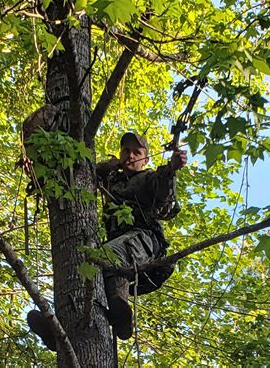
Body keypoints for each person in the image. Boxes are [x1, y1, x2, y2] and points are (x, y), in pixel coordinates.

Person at [27, 132, 187, 348]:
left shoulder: (149, 177)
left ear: (146, 159)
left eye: (136, 152)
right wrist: (110, 165)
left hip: (145, 240)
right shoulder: (113, 180)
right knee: (85, 268)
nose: (130, 155)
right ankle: (59, 329)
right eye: (125, 151)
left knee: (107, 256)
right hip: (119, 244)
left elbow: (164, 200)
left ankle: (120, 312)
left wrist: (171, 169)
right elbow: (86, 170)